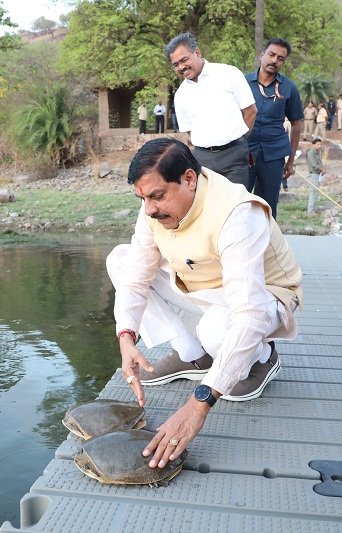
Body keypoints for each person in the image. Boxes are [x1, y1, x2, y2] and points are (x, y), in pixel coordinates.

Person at [107, 137, 303, 471]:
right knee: (121, 260)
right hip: (203, 284)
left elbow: (250, 312)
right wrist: (126, 338)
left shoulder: (237, 213)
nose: (149, 209)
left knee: (216, 330)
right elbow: (136, 278)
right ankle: (191, 354)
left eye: (157, 196)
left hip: (265, 296)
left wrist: (198, 404)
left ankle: (262, 357)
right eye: (143, 198)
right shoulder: (153, 208)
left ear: (189, 179)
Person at [166, 33, 257, 188]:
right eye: (176, 65)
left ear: (197, 53)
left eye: (184, 60)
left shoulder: (228, 74)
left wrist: (237, 141)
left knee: (235, 202)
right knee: (206, 203)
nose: (181, 67)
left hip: (234, 156)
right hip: (202, 160)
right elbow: (189, 131)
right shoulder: (180, 95)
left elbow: (251, 111)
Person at [244, 37, 304, 218]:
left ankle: (268, 237)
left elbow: (296, 124)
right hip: (244, 154)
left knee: (267, 209)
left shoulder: (289, 88)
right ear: (262, 55)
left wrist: (290, 161)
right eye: (271, 55)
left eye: (280, 58)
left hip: (273, 157)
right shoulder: (243, 83)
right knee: (238, 205)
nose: (274, 60)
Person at [306, 138, 325, 213]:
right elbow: (314, 165)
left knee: (315, 192)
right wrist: (321, 169)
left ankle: (314, 209)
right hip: (313, 174)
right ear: (314, 145)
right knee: (313, 192)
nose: (319, 146)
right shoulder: (311, 153)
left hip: (318, 174)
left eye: (320, 144)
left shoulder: (318, 153)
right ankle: (310, 210)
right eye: (318, 144)